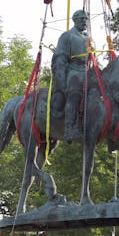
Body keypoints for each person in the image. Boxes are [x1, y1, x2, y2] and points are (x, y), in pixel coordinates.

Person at [51, 9, 90, 141]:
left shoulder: (88, 38)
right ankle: (70, 128)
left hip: (88, 71)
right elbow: (60, 58)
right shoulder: (67, 36)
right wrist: (60, 78)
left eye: (85, 19)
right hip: (74, 70)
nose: (84, 21)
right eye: (81, 19)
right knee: (74, 93)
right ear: (74, 20)